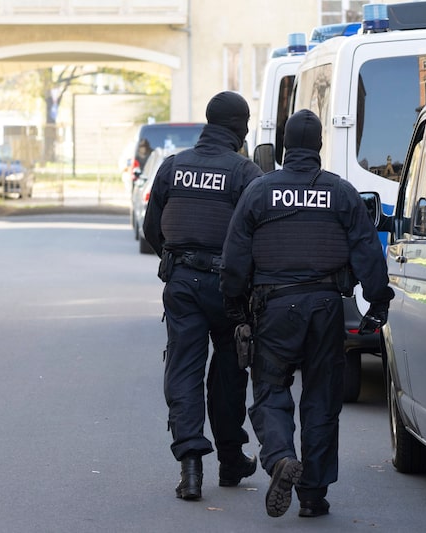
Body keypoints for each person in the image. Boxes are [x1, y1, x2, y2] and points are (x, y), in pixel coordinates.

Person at [220, 109, 394, 518]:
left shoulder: (260, 191)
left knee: (269, 389)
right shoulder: (341, 192)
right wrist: (378, 301)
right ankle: (313, 495)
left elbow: (234, 257)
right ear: (318, 146)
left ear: (284, 147)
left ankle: (280, 455)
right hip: (326, 308)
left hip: (274, 307)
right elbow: (368, 252)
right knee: (321, 399)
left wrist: (234, 304)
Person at [143, 91, 263, 501]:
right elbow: (257, 238)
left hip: (182, 283)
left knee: (184, 371)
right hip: (229, 289)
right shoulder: (246, 173)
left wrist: (179, 264)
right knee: (230, 375)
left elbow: (152, 230)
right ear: (241, 127)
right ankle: (230, 460)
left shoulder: (172, 167)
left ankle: (190, 469)